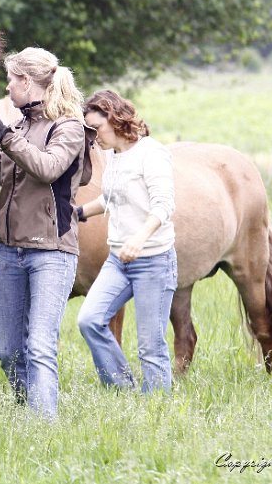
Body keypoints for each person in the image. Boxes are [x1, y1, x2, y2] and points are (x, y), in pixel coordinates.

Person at [0, 47, 89, 419]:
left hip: (52, 252)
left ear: (27, 82)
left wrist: (5, 136)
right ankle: (32, 410)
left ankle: (42, 427)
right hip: (8, 253)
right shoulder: (17, 129)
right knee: (9, 351)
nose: (7, 88)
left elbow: (48, 168)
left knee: (40, 347)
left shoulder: (69, 127)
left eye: (11, 80)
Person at [76, 89, 178, 394]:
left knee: (150, 346)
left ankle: (155, 409)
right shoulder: (112, 156)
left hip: (153, 261)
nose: (94, 137)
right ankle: (122, 390)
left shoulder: (151, 153)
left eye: (97, 128)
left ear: (115, 119)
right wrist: (79, 212)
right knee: (90, 320)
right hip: (119, 260)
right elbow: (110, 197)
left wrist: (140, 238)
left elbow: (164, 205)